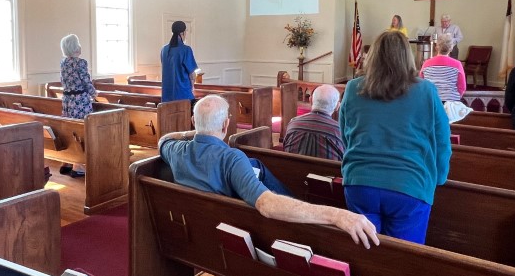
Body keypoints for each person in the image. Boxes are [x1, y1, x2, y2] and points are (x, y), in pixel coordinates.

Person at [157, 96, 379, 249]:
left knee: (256, 166)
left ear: (193, 122)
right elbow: (267, 205)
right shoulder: (231, 158)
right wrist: (337, 215)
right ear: (226, 124)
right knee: (258, 168)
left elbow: (163, 140)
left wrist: (196, 131)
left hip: (196, 232)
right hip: (238, 233)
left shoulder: (176, 151)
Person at [339, 30, 451, 244]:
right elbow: (442, 141)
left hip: (360, 182)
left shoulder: (353, 88)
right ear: (407, 56)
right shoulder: (426, 91)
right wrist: (439, 177)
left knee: (367, 253)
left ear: (373, 56)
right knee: (402, 256)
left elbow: (345, 133)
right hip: (410, 185)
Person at [58, 33, 94, 178]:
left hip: (67, 100)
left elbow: (63, 81)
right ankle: (79, 166)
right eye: (78, 44)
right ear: (75, 47)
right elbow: (86, 82)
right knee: (82, 131)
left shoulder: (63, 62)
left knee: (70, 130)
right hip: (80, 101)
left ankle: (67, 162)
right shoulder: (80, 63)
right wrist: (94, 94)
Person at [282, 85, 344, 161]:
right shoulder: (339, 130)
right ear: (337, 106)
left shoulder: (293, 124)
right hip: (325, 169)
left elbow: (285, 149)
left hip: (292, 168)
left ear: (310, 100)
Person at [160, 21, 201, 103]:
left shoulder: (164, 49)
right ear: (183, 32)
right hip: (183, 94)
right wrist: (192, 87)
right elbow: (192, 74)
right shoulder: (186, 49)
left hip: (167, 95)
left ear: (172, 32)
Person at [419, 34, 466, 102]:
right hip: (451, 102)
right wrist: (454, 97)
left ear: (436, 47)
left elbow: (421, 85)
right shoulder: (457, 64)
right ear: (451, 48)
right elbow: (462, 87)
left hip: (431, 102)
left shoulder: (426, 64)